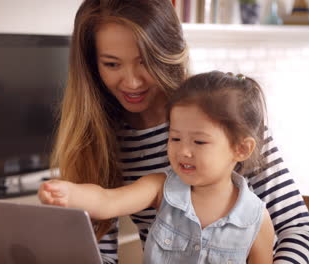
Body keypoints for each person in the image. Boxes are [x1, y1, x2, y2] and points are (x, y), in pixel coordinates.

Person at [45, 0, 309, 263]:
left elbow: (299, 231)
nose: (131, 81)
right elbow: (99, 247)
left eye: (144, 61)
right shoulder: (102, 139)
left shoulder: (223, 118)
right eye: (112, 64)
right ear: (93, 66)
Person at [40, 71, 276, 263]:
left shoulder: (256, 219)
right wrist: (70, 193)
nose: (183, 150)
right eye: (175, 138)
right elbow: (107, 201)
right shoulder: (159, 187)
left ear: (241, 149)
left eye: (199, 141)